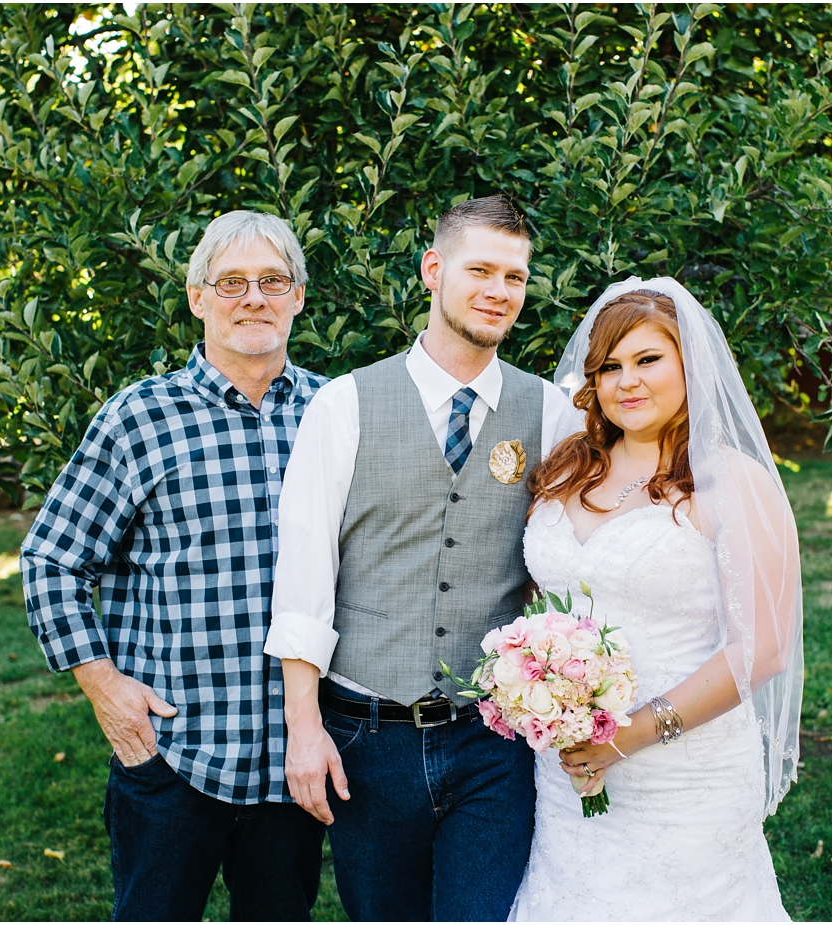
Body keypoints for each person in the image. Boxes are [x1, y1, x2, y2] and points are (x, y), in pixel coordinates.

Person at [266, 195, 583, 920]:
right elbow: (304, 584)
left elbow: (570, 565)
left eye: (515, 276)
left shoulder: (552, 412)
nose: (499, 291)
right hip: (366, 741)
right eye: (480, 270)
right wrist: (303, 730)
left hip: (492, 744)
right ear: (433, 270)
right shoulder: (343, 406)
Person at [23, 210, 329, 922]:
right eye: (231, 282)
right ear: (197, 297)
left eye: (273, 280)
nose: (253, 298)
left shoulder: (333, 412)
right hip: (172, 751)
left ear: (299, 297)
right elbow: (52, 559)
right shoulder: (139, 418)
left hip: (294, 757)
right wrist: (102, 685)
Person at [508, 279, 801, 920]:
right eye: (609, 367)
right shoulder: (564, 471)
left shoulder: (731, 484)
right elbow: (540, 601)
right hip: (569, 771)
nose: (626, 382)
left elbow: (763, 648)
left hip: (685, 777)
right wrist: (545, 697)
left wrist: (629, 735)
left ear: (689, 366)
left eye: (648, 360)